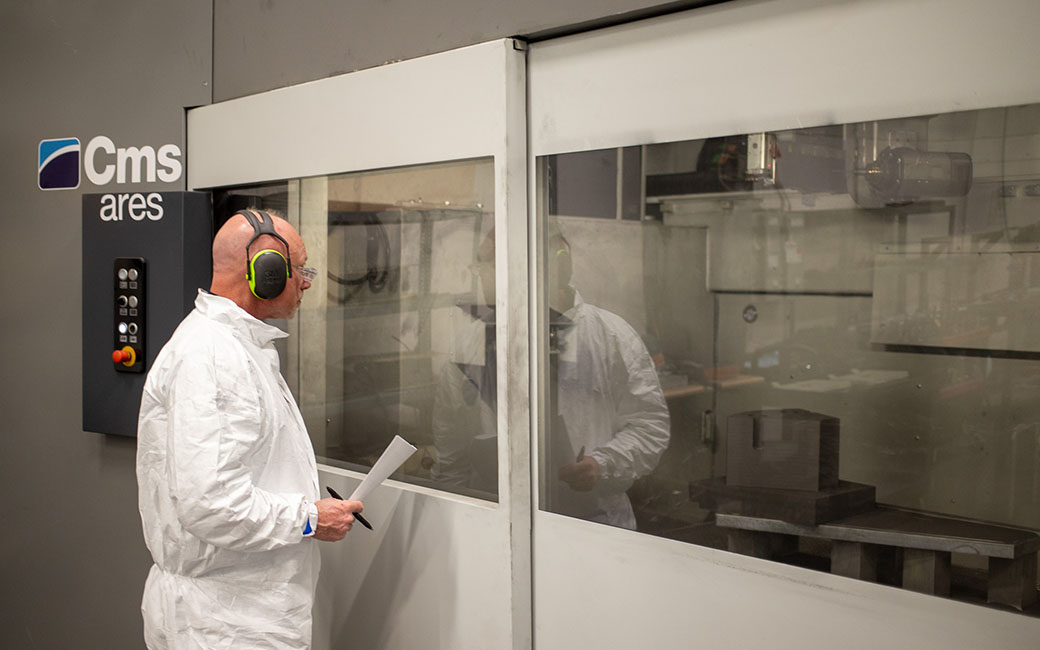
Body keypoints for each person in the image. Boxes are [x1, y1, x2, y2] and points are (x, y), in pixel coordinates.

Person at [136, 209, 363, 650]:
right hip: (225, 623)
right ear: (267, 273)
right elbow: (211, 505)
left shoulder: (232, 346)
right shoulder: (214, 356)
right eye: (300, 269)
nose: (308, 282)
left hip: (235, 612)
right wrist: (310, 518)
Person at [432, 225, 670, 529]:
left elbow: (650, 426)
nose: (485, 276)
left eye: (494, 264)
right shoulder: (468, 345)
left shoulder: (610, 337)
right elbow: (451, 448)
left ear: (547, 269)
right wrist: (455, 519)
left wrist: (602, 464)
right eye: (483, 264)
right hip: (496, 524)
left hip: (595, 525)